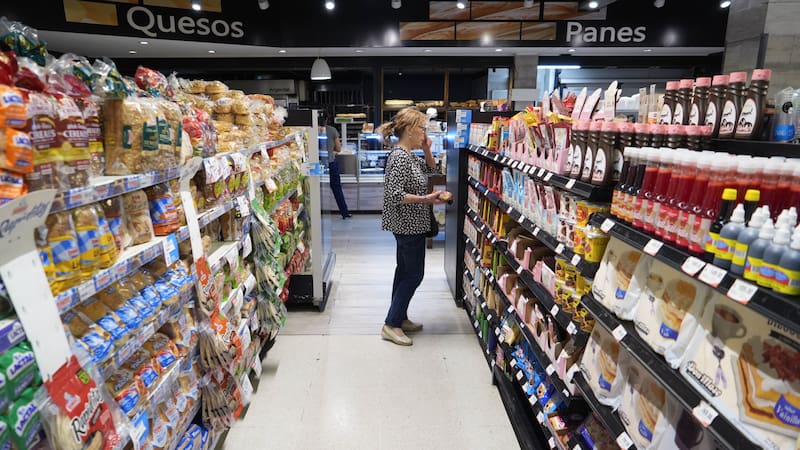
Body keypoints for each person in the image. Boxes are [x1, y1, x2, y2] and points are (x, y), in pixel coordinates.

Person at [378, 107, 449, 346]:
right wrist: (428, 199)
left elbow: (432, 170)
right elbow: (395, 195)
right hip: (407, 225)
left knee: (404, 271)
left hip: (413, 223)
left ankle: (400, 316)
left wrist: (428, 148)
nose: (424, 133)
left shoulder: (409, 154)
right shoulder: (399, 157)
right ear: (409, 130)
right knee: (414, 274)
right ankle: (391, 324)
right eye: (422, 128)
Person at [323, 112, 352, 219]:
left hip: (316, 166)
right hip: (330, 163)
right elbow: (339, 149)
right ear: (327, 119)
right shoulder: (331, 130)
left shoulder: (311, 131)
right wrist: (331, 152)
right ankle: (344, 212)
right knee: (336, 188)